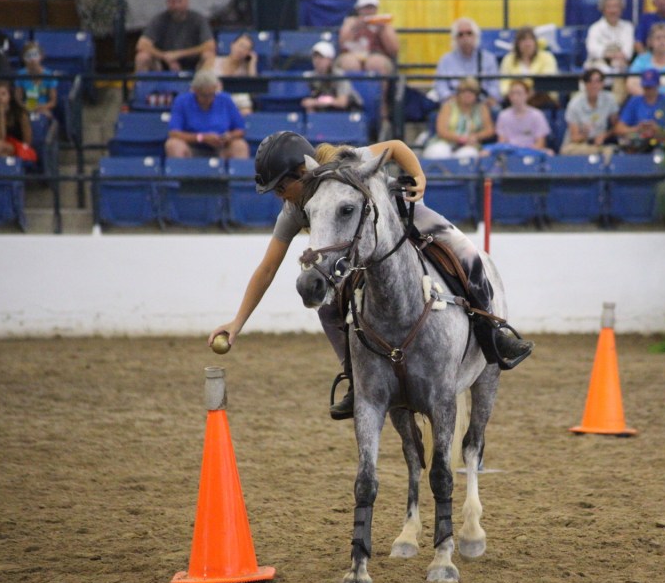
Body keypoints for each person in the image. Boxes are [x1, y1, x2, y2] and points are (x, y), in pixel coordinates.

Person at [208, 131, 533, 419]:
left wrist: (418, 175)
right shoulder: (294, 210)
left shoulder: (347, 161)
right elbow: (267, 269)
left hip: (402, 215)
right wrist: (237, 323)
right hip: (360, 247)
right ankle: (353, 375)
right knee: (326, 304)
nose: (281, 196)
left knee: (469, 255)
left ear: (302, 171)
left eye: (281, 187)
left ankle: (492, 332)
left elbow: (395, 146)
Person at [164, 70, 248, 159]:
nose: (208, 98)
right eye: (204, 95)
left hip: (221, 147)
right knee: (173, 144)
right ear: (195, 90)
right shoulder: (182, 101)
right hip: (192, 147)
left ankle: (237, 172)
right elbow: (174, 133)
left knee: (240, 145)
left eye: (212, 94)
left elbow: (240, 130)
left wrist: (229, 136)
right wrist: (201, 138)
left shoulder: (225, 100)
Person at [135, 0, 214, 73]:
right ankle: (142, 86)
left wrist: (179, 54)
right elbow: (142, 45)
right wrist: (164, 56)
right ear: (167, 3)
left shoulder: (198, 19)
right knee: (142, 57)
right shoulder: (159, 19)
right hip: (163, 65)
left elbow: (210, 45)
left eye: (179, 1)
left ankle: (205, 86)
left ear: (187, 2)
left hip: (194, 65)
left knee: (208, 55)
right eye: (172, 2)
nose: (176, 6)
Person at [433, 18, 500, 107]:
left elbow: (495, 86)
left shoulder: (488, 58)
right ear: (454, 38)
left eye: (469, 33)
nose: (465, 38)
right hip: (454, 103)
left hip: (482, 103)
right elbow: (440, 86)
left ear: (476, 36)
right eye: (460, 34)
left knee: (496, 111)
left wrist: (490, 99)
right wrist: (451, 98)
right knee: (434, 116)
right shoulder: (446, 60)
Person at [423, 76, 495, 159]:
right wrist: (460, 139)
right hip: (445, 142)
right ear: (458, 93)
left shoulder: (482, 108)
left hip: (470, 145)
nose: (467, 95)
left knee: (469, 154)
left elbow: (489, 130)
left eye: (471, 92)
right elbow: (441, 130)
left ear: (476, 95)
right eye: (464, 92)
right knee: (440, 151)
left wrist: (475, 137)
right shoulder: (448, 106)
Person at [615, 69, 665, 152]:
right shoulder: (635, 101)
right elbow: (619, 129)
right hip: (639, 145)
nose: (648, 90)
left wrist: (658, 130)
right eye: (646, 87)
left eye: (651, 87)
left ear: (658, 85)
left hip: (663, 145)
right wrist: (637, 129)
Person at [336, 0, 398, 76]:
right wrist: (355, 28)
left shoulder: (384, 24)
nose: (369, 11)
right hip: (352, 54)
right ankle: (351, 89)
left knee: (376, 64)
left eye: (371, 8)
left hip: (376, 54)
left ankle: (376, 89)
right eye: (365, 8)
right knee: (350, 63)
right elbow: (342, 44)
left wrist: (383, 30)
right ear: (358, 9)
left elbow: (394, 50)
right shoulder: (351, 22)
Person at [560, 67, 619, 156]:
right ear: (585, 84)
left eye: (598, 81)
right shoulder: (574, 104)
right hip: (578, 145)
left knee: (612, 150)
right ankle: (598, 152)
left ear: (602, 84)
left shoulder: (610, 99)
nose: (594, 85)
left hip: (602, 143)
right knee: (568, 151)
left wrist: (604, 135)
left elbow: (616, 127)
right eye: (590, 81)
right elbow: (574, 137)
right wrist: (585, 134)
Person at [497, 26, 559, 106]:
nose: (527, 44)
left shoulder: (547, 57)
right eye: (523, 40)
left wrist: (529, 93)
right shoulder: (508, 59)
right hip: (514, 98)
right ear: (517, 43)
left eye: (530, 39)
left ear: (535, 42)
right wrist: (514, 93)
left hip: (540, 97)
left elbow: (546, 81)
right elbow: (504, 84)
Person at [583, 0, 634, 77]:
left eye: (616, 6)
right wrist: (609, 55)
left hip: (621, 65)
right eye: (609, 7)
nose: (613, 11)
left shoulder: (628, 27)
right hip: (598, 65)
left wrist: (612, 55)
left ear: (621, 8)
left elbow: (627, 52)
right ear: (603, 9)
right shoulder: (595, 28)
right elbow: (592, 50)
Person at [493, 79, 552, 154]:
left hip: (532, 152)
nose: (515, 97)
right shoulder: (503, 115)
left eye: (519, 93)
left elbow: (540, 143)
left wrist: (526, 151)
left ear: (527, 94)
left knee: (549, 153)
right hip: (510, 153)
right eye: (512, 93)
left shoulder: (537, 115)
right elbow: (501, 142)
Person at [302, 40, 361, 112]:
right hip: (325, 113)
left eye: (321, 57)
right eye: (315, 57)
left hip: (347, 112)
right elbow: (308, 103)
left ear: (330, 60)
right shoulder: (310, 77)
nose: (317, 61)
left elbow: (342, 103)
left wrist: (315, 102)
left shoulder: (339, 76)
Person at [209, 32, 257, 116]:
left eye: (246, 48)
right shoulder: (213, 61)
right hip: (212, 96)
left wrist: (252, 63)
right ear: (232, 45)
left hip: (235, 104)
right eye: (240, 45)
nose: (241, 50)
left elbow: (254, 89)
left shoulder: (246, 69)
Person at [14, 42, 57, 117]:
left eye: (35, 55)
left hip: (44, 108)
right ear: (24, 59)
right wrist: (29, 108)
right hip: (27, 109)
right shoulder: (20, 75)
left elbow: (53, 101)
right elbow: (18, 99)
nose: (32, 60)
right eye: (28, 56)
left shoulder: (49, 75)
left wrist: (40, 108)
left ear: (41, 56)